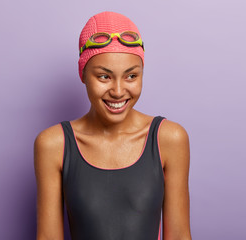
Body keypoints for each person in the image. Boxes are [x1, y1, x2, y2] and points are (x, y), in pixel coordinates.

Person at [34, 11, 192, 240]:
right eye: (104, 77)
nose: (118, 91)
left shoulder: (168, 139)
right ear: (83, 74)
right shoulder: (53, 144)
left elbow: (178, 236)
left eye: (131, 76)